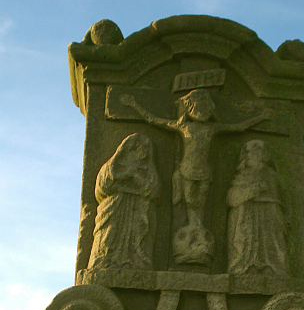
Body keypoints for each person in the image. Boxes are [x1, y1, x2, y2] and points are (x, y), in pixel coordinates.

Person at [120, 89, 269, 265]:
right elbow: (153, 120)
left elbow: (238, 127)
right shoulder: (184, 127)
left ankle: (198, 232)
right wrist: (133, 105)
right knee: (190, 201)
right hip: (187, 170)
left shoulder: (211, 128)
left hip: (204, 172)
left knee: (201, 204)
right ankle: (192, 234)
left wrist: (260, 117)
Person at [87, 133, 160, 270]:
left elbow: (153, 191)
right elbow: (103, 186)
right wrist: (126, 174)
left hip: (139, 207)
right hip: (115, 205)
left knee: (139, 236)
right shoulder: (113, 165)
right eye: (136, 147)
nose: (141, 151)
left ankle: (137, 263)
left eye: (145, 148)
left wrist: (136, 176)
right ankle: (104, 260)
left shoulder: (148, 170)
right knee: (109, 234)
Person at [227, 140, 290, 276]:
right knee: (246, 241)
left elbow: (284, 198)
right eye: (254, 151)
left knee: (271, 243)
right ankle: (246, 266)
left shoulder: (273, 176)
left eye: (261, 151)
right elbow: (232, 198)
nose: (259, 154)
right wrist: (252, 191)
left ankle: (272, 267)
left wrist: (286, 216)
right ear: (246, 155)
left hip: (270, 213)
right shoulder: (243, 175)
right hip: (247, 213)